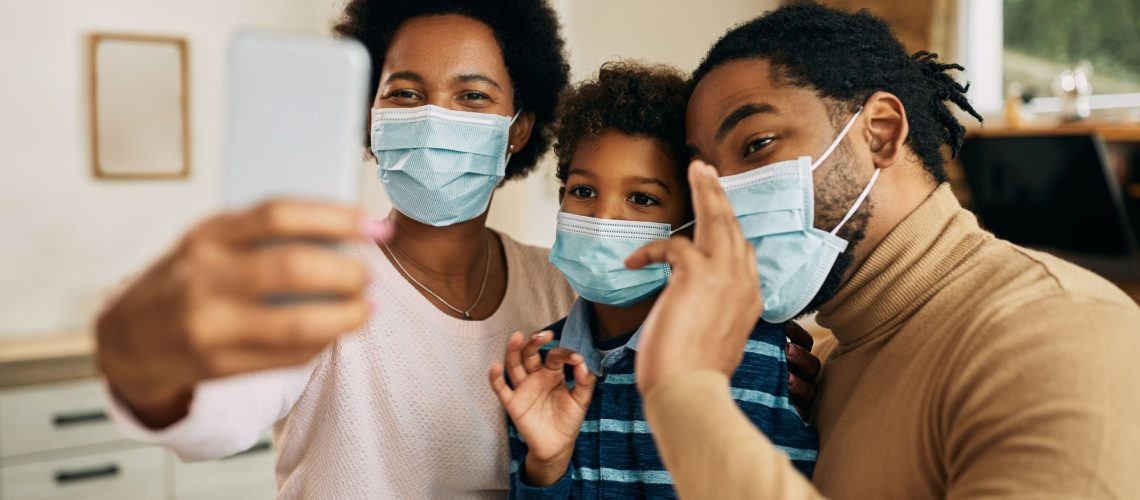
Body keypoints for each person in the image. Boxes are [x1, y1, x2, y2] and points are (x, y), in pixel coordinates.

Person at [625, 2, 1140, 498]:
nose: (722, 196)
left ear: (880, 132)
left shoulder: (1062, 337)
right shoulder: (814, 371)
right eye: (704, 173)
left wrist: (687, 394)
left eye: (757, 144)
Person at [97, 1, 575, 497]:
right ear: (371, 117)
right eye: (406, 93)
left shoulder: (558, 291)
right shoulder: (315, 277)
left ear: (517, 129)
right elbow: (214, 418)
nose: (434, 118)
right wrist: (147, 359)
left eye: (472, 95)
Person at [487, 63, 818, 499]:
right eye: (583, 191)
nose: (604, 217)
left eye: (642, 198)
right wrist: (546, 465)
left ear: (691, 221)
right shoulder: (541, 365)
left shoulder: (749, 351)